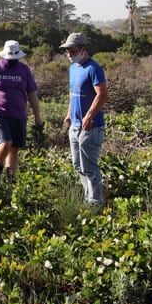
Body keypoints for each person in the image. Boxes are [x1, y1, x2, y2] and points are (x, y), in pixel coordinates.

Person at [61, 32, 108, 208]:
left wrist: (89, 116)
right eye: (67, 51)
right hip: (74, 125)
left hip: (91, 126)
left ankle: (96, 203)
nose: (70, 54)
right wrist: (69, 114)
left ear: (83, 49)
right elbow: (73, 94)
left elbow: (102, 94)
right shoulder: (73, 69)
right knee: (77, 165)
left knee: (89, 166)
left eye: (73, 51)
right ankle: (89, 199)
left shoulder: (93, 68)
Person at [0, 40, 44, 182]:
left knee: (14, 149)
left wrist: (37, 116)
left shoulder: (24, 70)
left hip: (19, 115)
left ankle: (11, 181)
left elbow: (32, 93)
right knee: (5, 142)